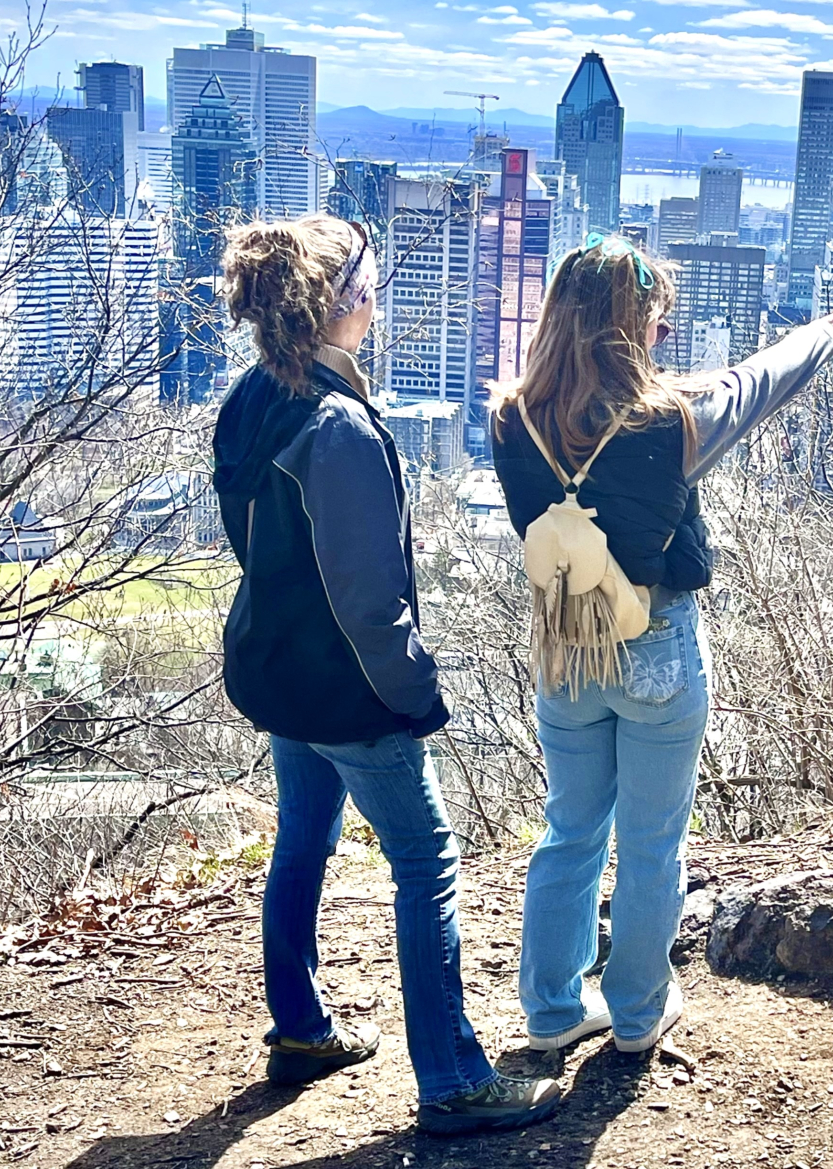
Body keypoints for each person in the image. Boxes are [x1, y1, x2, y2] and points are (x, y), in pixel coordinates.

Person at [211, 214, 561, 1135]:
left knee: (303, 839)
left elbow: (256, 544)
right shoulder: (338, 429)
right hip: (348, 687)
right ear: (342, 303)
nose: (379, 299)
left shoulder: (254, 396)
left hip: (280, 668)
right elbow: (371, 605)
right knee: (426, 861)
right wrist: (414, 695)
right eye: (368, 284)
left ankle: (298, 1028)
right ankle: (451, 1078)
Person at [491, 234, 833, 1054]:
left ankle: (549, 1012)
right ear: (633, 326)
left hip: (567, 642)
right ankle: (639, 1016)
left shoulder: (511, 418)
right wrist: (822, 332)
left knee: (569, 830)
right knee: (651, 843)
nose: (660, 336)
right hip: (655, 646)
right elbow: (759, 383)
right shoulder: (672, 422)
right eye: (654, 321)